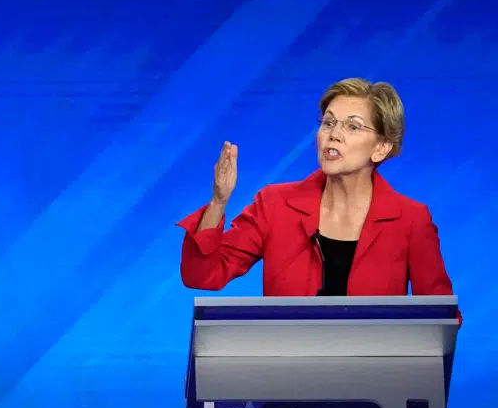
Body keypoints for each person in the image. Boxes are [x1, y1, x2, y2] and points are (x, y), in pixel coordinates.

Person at [178, 78, 454, 298]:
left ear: (381, 148)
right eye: (329, 123)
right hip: (289, 354)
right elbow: (201, 275)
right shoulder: (274, 205)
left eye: (353, 127)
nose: (334, 134)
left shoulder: (410, 221)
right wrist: (218, 202)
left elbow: (439, 317)